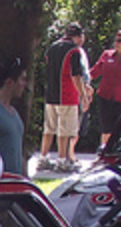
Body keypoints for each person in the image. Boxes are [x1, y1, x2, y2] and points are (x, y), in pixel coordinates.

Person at [38, 23, 88, 171]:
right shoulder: (74, 51)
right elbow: (75, 76)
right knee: (65, 131)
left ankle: (43, 158)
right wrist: (83, 95)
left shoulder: (52, 48)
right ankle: (62, 161)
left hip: (50, 95)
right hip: (66, 96)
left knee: (49, 129)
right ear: (78, 36)